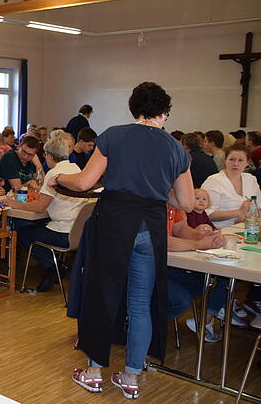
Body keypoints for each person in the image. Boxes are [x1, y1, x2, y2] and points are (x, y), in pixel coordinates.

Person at [53, 82, 193, 399]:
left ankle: (93, 372)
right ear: (164, 112)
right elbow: (185, 202)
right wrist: (159, 190)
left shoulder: (114, 135)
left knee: (102, 296)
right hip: (151, 226)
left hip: (116, 221)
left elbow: (86, 181)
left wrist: (58, 177)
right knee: (141, 303)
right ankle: (130, 377)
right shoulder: (175, 148)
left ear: (133, 109)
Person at [5, 138, 88, 292]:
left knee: (23, 232)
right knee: (36, 227)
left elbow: (39, 207)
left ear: (49, 156)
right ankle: (56, 266)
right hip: (78, 232)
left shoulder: (55, 174)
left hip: (61, 233)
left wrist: (12, 204)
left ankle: (51, 267)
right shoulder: (76, 169)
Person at [165, 204, 228, 342]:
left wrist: (201, 236)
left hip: (167, 263)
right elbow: (161, 240)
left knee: (203, 283)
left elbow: (181, 228)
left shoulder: (175, 202)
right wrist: (198, 244)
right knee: (180, 301)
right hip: (141, 265)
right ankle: (136, 323)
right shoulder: (151, 199)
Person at [202, 143, 261, 229]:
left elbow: (259, 207)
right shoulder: (213, 181)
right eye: (232, 159)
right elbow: (207, 214)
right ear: (225, 161)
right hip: (220, 230)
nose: (235, 164)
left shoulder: (251, 179)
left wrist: (248, 217)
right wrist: (238, 212)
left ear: (247, 163)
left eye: (240, 160)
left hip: (248, 229)